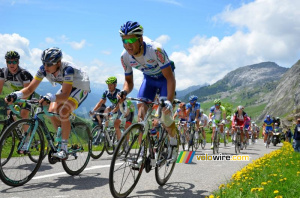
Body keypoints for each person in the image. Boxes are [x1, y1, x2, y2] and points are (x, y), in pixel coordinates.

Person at [5, 47, 90, 159]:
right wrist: (16, 95)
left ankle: (64, 148)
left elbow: (65, 95)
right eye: (44, 63)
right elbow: (30, 89)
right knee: (51, 111)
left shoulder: (68, 69)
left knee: (64, 111)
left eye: (49, 64)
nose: (46, 67)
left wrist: (50, 97)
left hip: (81, 87)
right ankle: (61, 138)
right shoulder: (43, 69)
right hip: (67, 86)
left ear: (58, 63)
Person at [118, 21, 177, 165]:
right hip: (149, 81)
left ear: (140, 39)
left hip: (164, 80)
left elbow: (170, 78)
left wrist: (168, 102)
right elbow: (129, 82)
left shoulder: (155, 49)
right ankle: (142, 155)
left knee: (164, 118)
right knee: (141, 117)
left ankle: (173, 142)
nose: (128, 44)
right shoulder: (124, 56)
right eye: (124, 40)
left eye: (131, 40)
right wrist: (124, 92)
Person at [0, 51, 33, 120]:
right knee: (10, 113)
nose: (12, 64)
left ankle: (27, 131)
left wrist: (18, 104)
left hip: (27, 92)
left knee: (24, 114)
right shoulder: (3, 72)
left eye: (14, 62)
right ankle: (14, 129)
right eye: (9, 62)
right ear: (6, 62)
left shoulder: (23, 73)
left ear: (18, 62)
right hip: (16, 92)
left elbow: (27, 90)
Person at [91, 77, 123, 141]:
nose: (109, 86)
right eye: (108, 85)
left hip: (121, 108)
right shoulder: (106, 92)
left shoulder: (119, 93)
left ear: (115, 85)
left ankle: (119, 142)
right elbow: (100, 102)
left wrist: (112, 112)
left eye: (111, 85)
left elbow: (119, 105)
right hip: (113, 106)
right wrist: (93, 110)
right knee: (107, 109)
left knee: (116, 125)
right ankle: (106, 129)